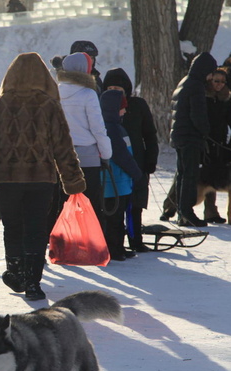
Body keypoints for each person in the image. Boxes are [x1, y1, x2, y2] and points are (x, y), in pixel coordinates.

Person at [0, 52, 86, 301]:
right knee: (37, 230)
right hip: (41, 179)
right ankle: (33, 283)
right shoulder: (49, 105)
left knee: (12, 227)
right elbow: (63, 145)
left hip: (7, 180)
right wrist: (72, 178)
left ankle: (16, 272)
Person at [162, 68, 231, 224]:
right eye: (216, 81)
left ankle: (210, 212)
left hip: (219, 143)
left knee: (212, 178)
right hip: (200, 141)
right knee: (189, 175)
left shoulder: (226, 99)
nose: (220, 85)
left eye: (223, 82)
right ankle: (170, 206)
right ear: (210, 81)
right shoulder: (201, 95)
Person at [102, 68, 159, 252]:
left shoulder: (138, 105)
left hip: (138, 162)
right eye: (110, 87)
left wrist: (151, 159)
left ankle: (136, 240)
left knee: (135, 204)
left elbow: (150, 135)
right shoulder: (104, 107)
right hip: (114, 167)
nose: (114, 91)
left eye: (118, 88)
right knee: (115, 205)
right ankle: (114, 243)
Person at [57, 52, 112, 224]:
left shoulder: (54, 92)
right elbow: (97, 128)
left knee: (63, 206)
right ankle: (91, 245)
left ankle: (65, 245)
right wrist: (106, 154)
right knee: (91, 206)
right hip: (88, 156)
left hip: (60, 156)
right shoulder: (88, 94)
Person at [167, 52, 217, 227]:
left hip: (180, 135)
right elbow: (198, 115)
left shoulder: (185, 82)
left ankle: (182, 212)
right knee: (189, 175)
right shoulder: (196, 86)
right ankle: (186, 212)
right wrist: (206, 131)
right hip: (190, 137)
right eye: (211, 72)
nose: (211, 76)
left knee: (182, 175)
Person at [99, 90, 143, 261]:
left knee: (118, 218)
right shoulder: (110, 129)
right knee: (113, 219)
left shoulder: (117, 127)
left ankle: (119, 247)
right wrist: (136, 172)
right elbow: (120, 154)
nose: (125, 111)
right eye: (122, 108)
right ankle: (113, 249)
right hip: (113, 182)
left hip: (122, 181)